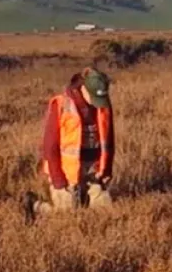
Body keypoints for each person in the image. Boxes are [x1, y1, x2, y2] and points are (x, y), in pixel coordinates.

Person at [39, 67, 115, 211]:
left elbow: (109, 138)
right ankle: (36, 206)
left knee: (104, 208)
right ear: (83, 88)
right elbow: (50, 146)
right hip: (66, 171)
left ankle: (85, 196)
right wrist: (58, 181)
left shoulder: (102, 103)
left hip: (93, 169)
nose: (96, 103)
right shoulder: (61, 104)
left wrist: (107, 170)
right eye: (94, 98)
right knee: (67, 212)